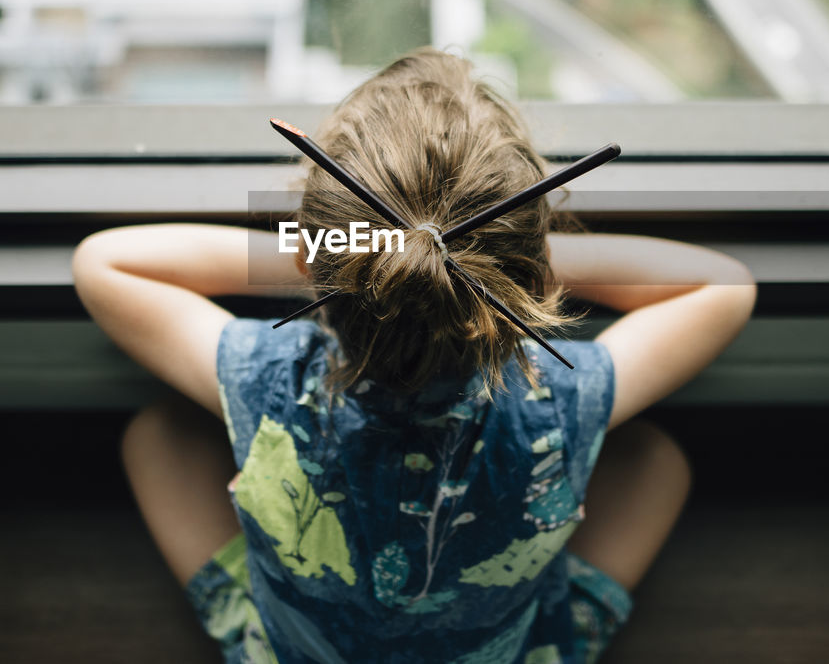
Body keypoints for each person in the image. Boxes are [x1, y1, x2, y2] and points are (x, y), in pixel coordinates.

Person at [72, 48, 756, 663]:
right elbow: (726, 287)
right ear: (529, 262)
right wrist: (505, 261)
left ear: (317, 254)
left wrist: (338, 251)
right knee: (656, 461)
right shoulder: (555, 404)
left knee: (157, 433)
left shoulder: (269, 381)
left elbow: (103, 264)